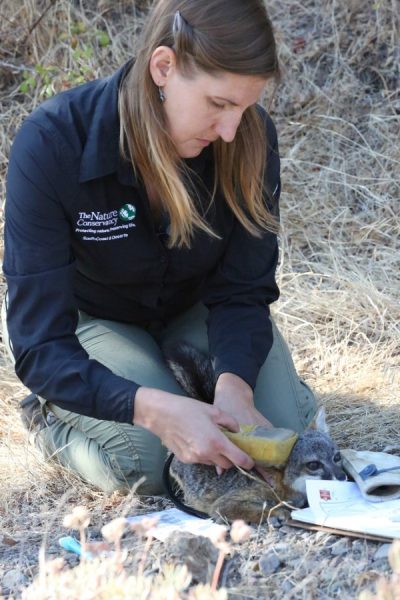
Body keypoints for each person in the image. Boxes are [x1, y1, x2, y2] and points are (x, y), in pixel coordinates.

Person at [2, 0, 317, 495]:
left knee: (280, 442)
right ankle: (49, 420)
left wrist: (235, 385)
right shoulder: (51, 144)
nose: (231, 131)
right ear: (163, 67)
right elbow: (40, 344)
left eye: (244, 107)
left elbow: (243, 290)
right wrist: (152, 409)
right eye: (218, 104)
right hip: (97, 321)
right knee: (153, 463)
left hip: (194, 310)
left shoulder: (249, 138)